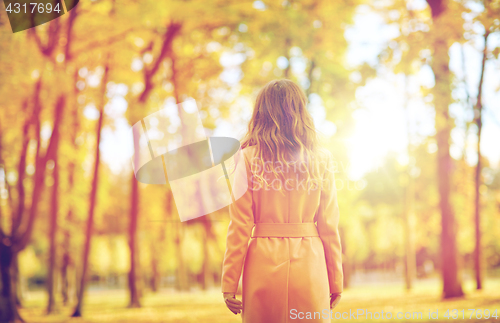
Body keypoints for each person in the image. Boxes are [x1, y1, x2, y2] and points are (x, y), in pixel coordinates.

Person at [221, 79, 343, 322]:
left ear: (260, 113)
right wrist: (336, 280)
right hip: (310, 263)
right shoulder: (322, 158)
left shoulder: (245, 158)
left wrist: (229, 282)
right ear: (300, 110)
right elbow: (329, 226)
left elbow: (240, 226)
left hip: (262, 264)